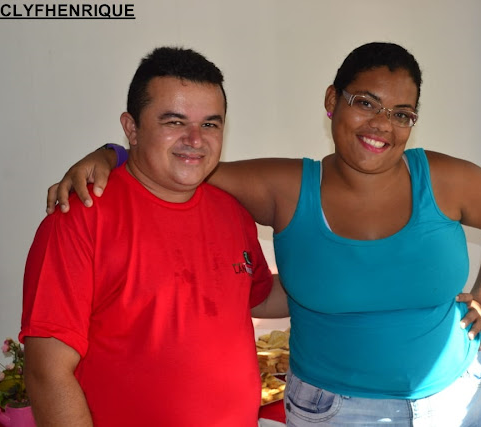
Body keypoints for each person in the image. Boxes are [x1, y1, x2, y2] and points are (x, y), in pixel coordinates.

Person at [46, 42, 481, 426]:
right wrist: (112, 154)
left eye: (402, 113)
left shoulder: (446, 179)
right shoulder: (284, 187)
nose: (382, 124)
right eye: (366, 103)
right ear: (332, 101)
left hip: (459, 399)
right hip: (337, 411)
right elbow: (185, 162)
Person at [21, 46, 287, 427]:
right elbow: (47, 373)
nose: (195, 139)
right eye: (175, 122)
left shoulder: (232, 210)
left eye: (210, 124)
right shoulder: (80, 218)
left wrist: (348, 281)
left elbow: (258, 296)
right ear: (131, 128)